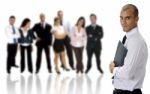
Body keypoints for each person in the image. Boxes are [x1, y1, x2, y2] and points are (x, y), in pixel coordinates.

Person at [109, 4, 148, 94]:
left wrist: (113, 69)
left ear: (136, 19)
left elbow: (127, 73)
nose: (123, 22)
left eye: (127, 18)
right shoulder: (128, 38)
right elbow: (125, 63)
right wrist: (115, 64)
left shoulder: (136, 42)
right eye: (121, 18)